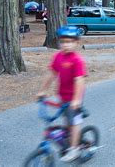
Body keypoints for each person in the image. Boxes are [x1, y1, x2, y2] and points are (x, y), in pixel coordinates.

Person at [37, 26, 87, 162]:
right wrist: (42, 90)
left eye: (70, 42)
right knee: (67, 122)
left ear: (76, 43)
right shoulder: (58, 57)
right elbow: (51, 74)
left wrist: (76, 101)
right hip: (63, 96)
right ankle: (70, 140)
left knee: (74, 123)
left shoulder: (77, 60)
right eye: (64, 42)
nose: (66, 45)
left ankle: (74, 149)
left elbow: (79, 81)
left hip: (74, 99)